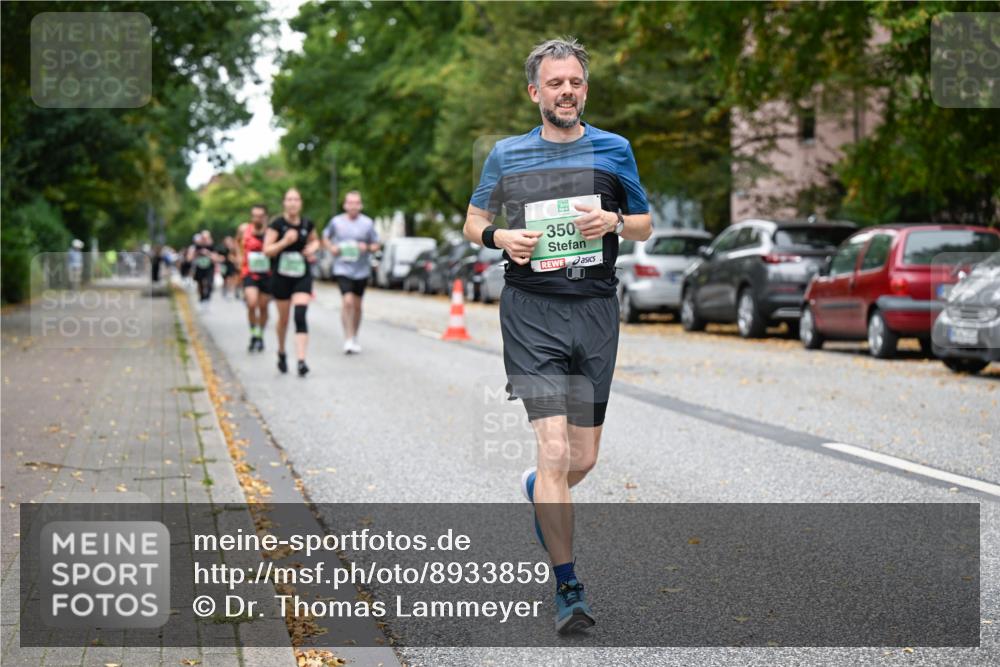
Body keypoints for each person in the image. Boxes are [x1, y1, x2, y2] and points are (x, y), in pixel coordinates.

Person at [463, 37, 652, 634]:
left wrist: (615, 221)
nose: (565, 91)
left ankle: (540, 492)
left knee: (583, 457)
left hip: (594, 307)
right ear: (535, 92)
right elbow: (474, 221)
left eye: (574, 82)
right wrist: (500, 240)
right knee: (553, 451)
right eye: (555, 83)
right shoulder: (506, 155)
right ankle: (568, 587)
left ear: (584, 89)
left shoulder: (615, 150)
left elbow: (645, 225)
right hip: (531, 309)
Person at [264, 188, 319, 376]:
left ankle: (301, 360)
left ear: (301, 203)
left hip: (302, 275)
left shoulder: (306, 223)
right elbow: (267, 250)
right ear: (284, 203)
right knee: (284, 319)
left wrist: (312, 248)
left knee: (300, 315)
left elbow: (315, 241)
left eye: (296, 199)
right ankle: (281, 351)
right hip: (281, 277)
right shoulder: (277, 224)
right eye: (289, 199)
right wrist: (284, 242)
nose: (293, 203)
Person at [323, 190, 380, 354]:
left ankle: (354, 335)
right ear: (345, 205)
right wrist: (331, 248)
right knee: (347, 301)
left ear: (360, 205)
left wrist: (367, 247)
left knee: (357, 305)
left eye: (356, 203)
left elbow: (376, 244)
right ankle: (347, 337)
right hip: (342, 267)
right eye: (350, 203)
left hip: (361, 270)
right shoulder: (336, 222)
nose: (353, 206)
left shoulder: (367, 223)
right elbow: (325, 237)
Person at [237, 205, 272, 352]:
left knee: (263, 306)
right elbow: (237, 242)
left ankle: (260, 335)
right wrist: (239, 257)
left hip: (267, 273)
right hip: (249, 272)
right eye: (254, 216)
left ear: (265, 217)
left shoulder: (271, 232)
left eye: (260, 216)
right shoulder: (244, 229)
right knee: (252, 303)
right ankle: (253, 333)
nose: (257, 219)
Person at [189, 231, 220, 307]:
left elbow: (216, 258)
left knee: (209, 283)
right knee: (200, 283)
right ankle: (201, 298)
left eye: (206, 238)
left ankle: (207, 298)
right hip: (199, 267)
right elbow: (190, 258)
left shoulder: (212, 246)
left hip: (209, 268)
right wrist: (198, 253)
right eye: (203, 238)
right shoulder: (197, 246)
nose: (205, 239)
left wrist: (208, 253)